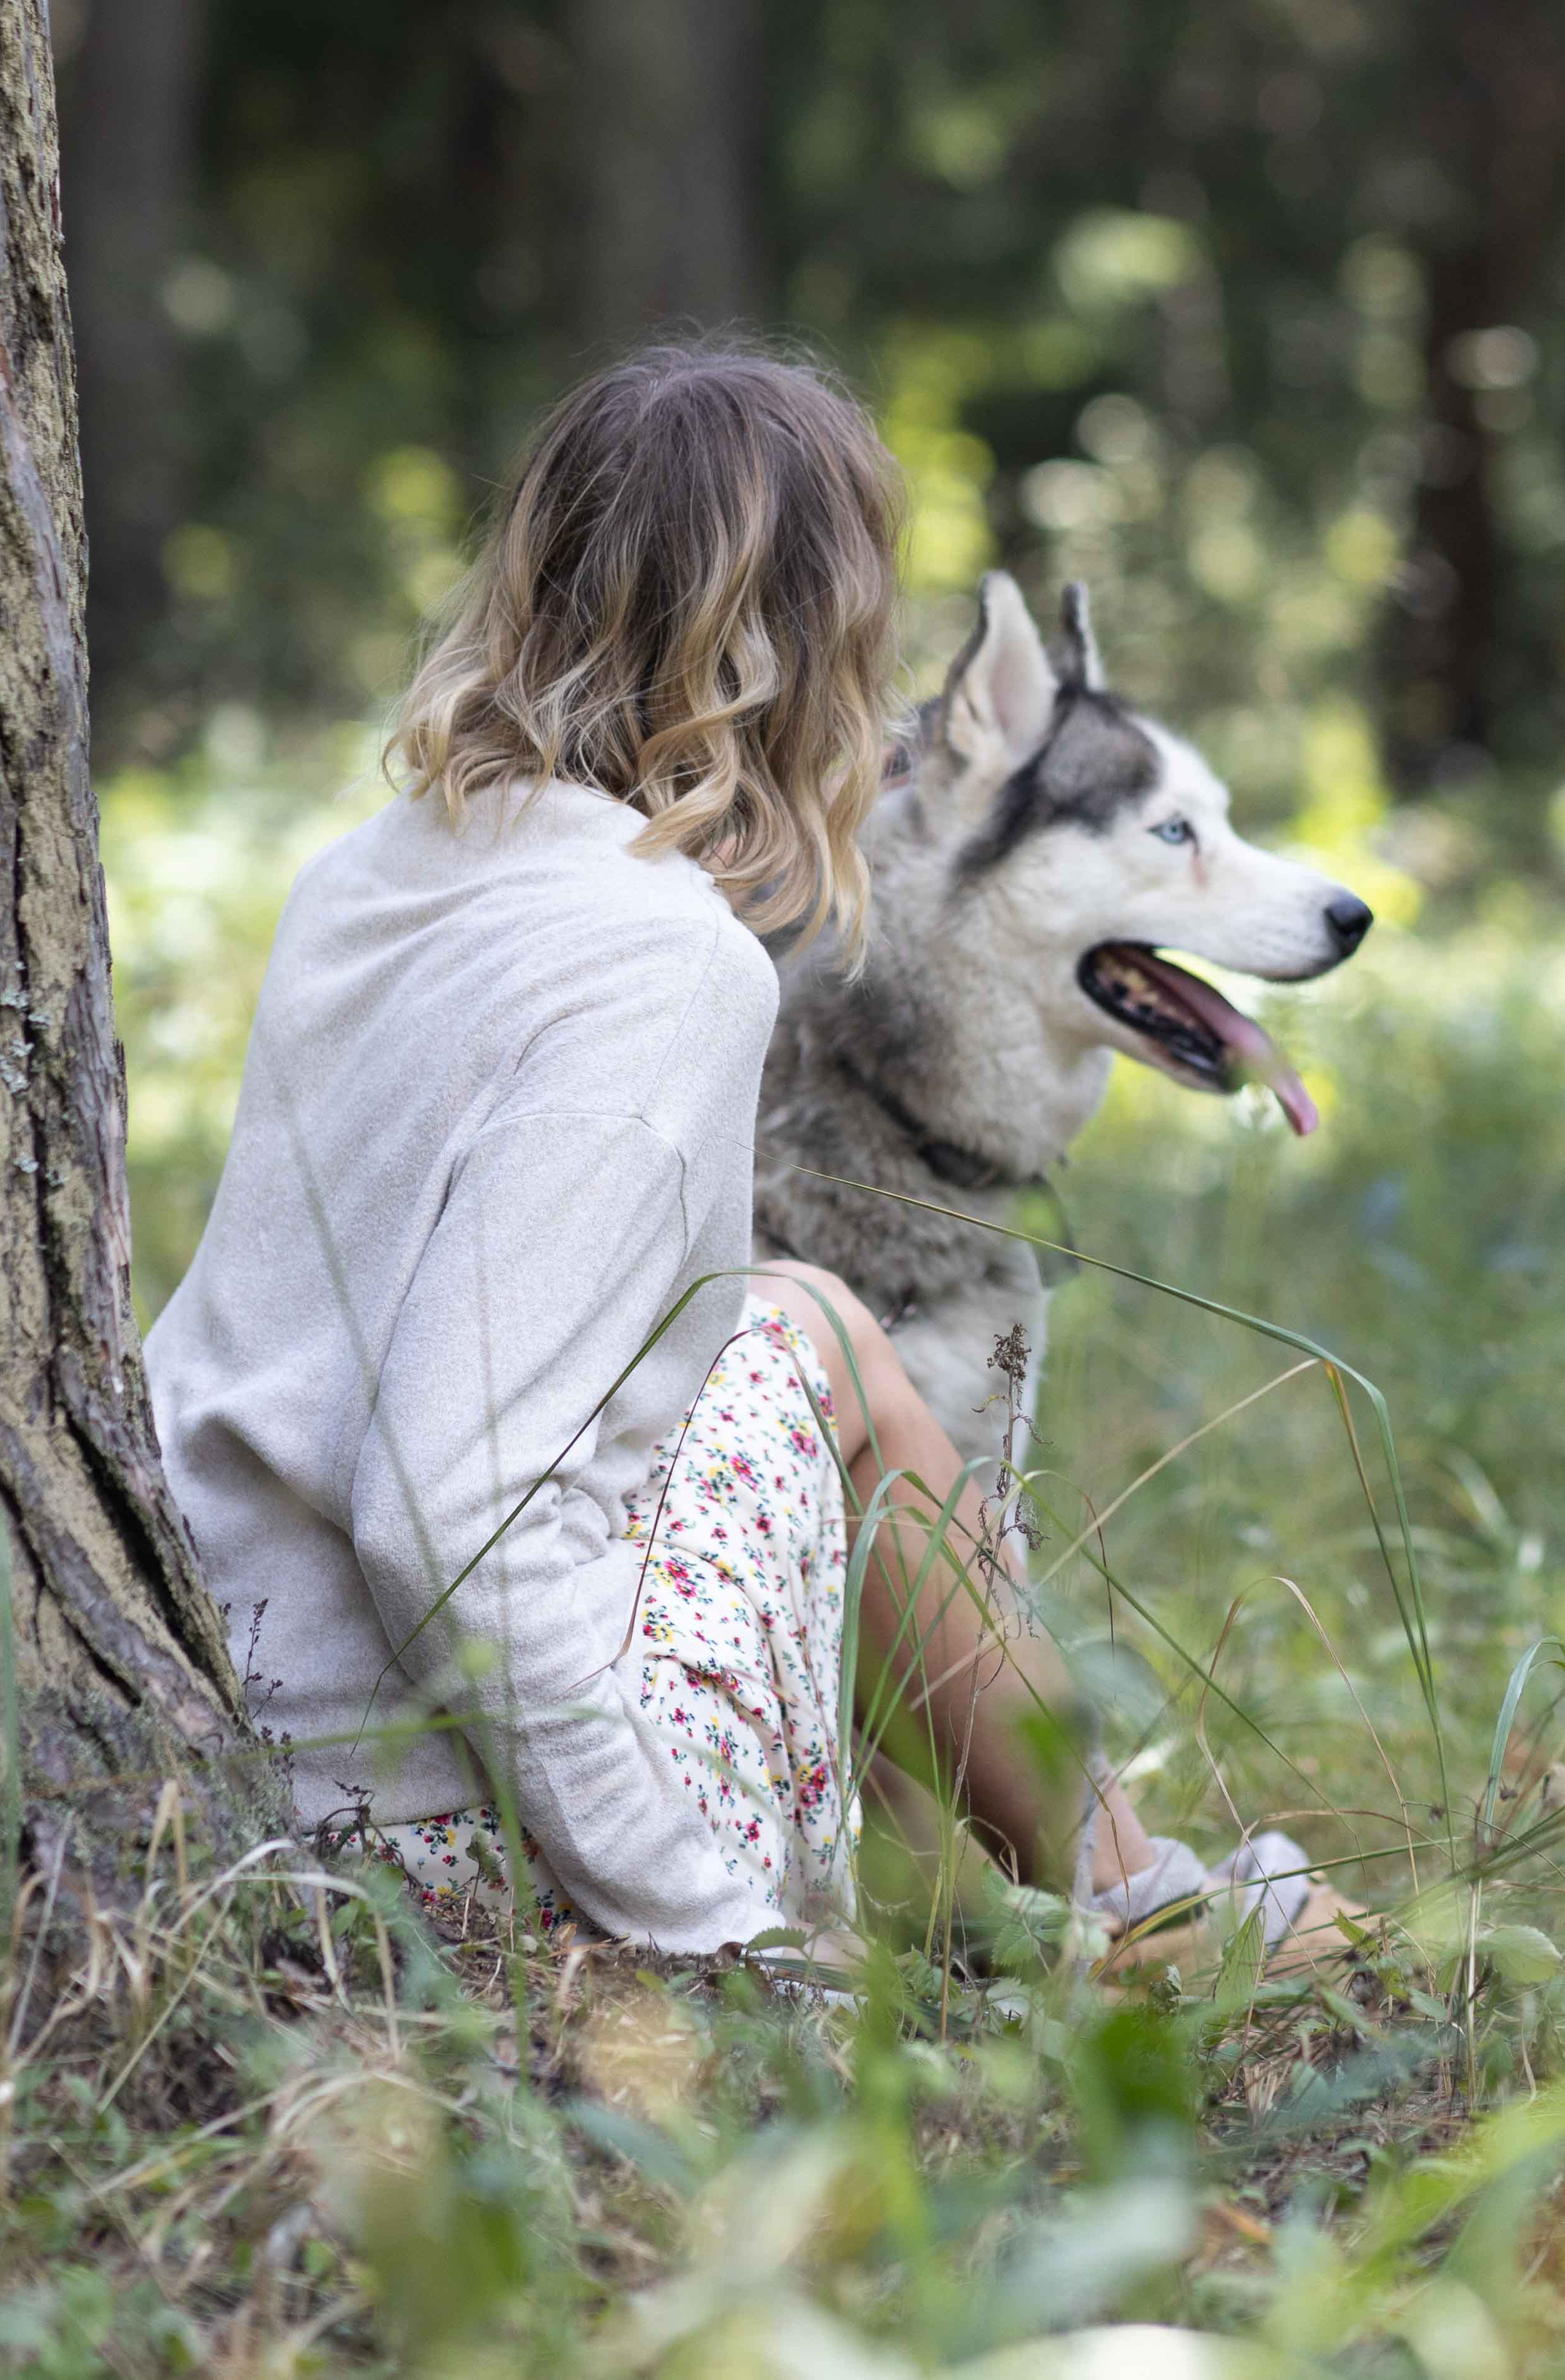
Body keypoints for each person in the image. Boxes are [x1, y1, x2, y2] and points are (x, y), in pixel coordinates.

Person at [145, 341, 1337, 1968]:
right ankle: (1131, 1901)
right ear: (811, 653)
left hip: (234, 1732)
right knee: (829, 1341)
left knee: (790, 1314)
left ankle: (1098, 1889)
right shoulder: (661, 960)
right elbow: (445, 1519)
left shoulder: (373, 872)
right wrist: (711, 1935)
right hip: (423, 1844)